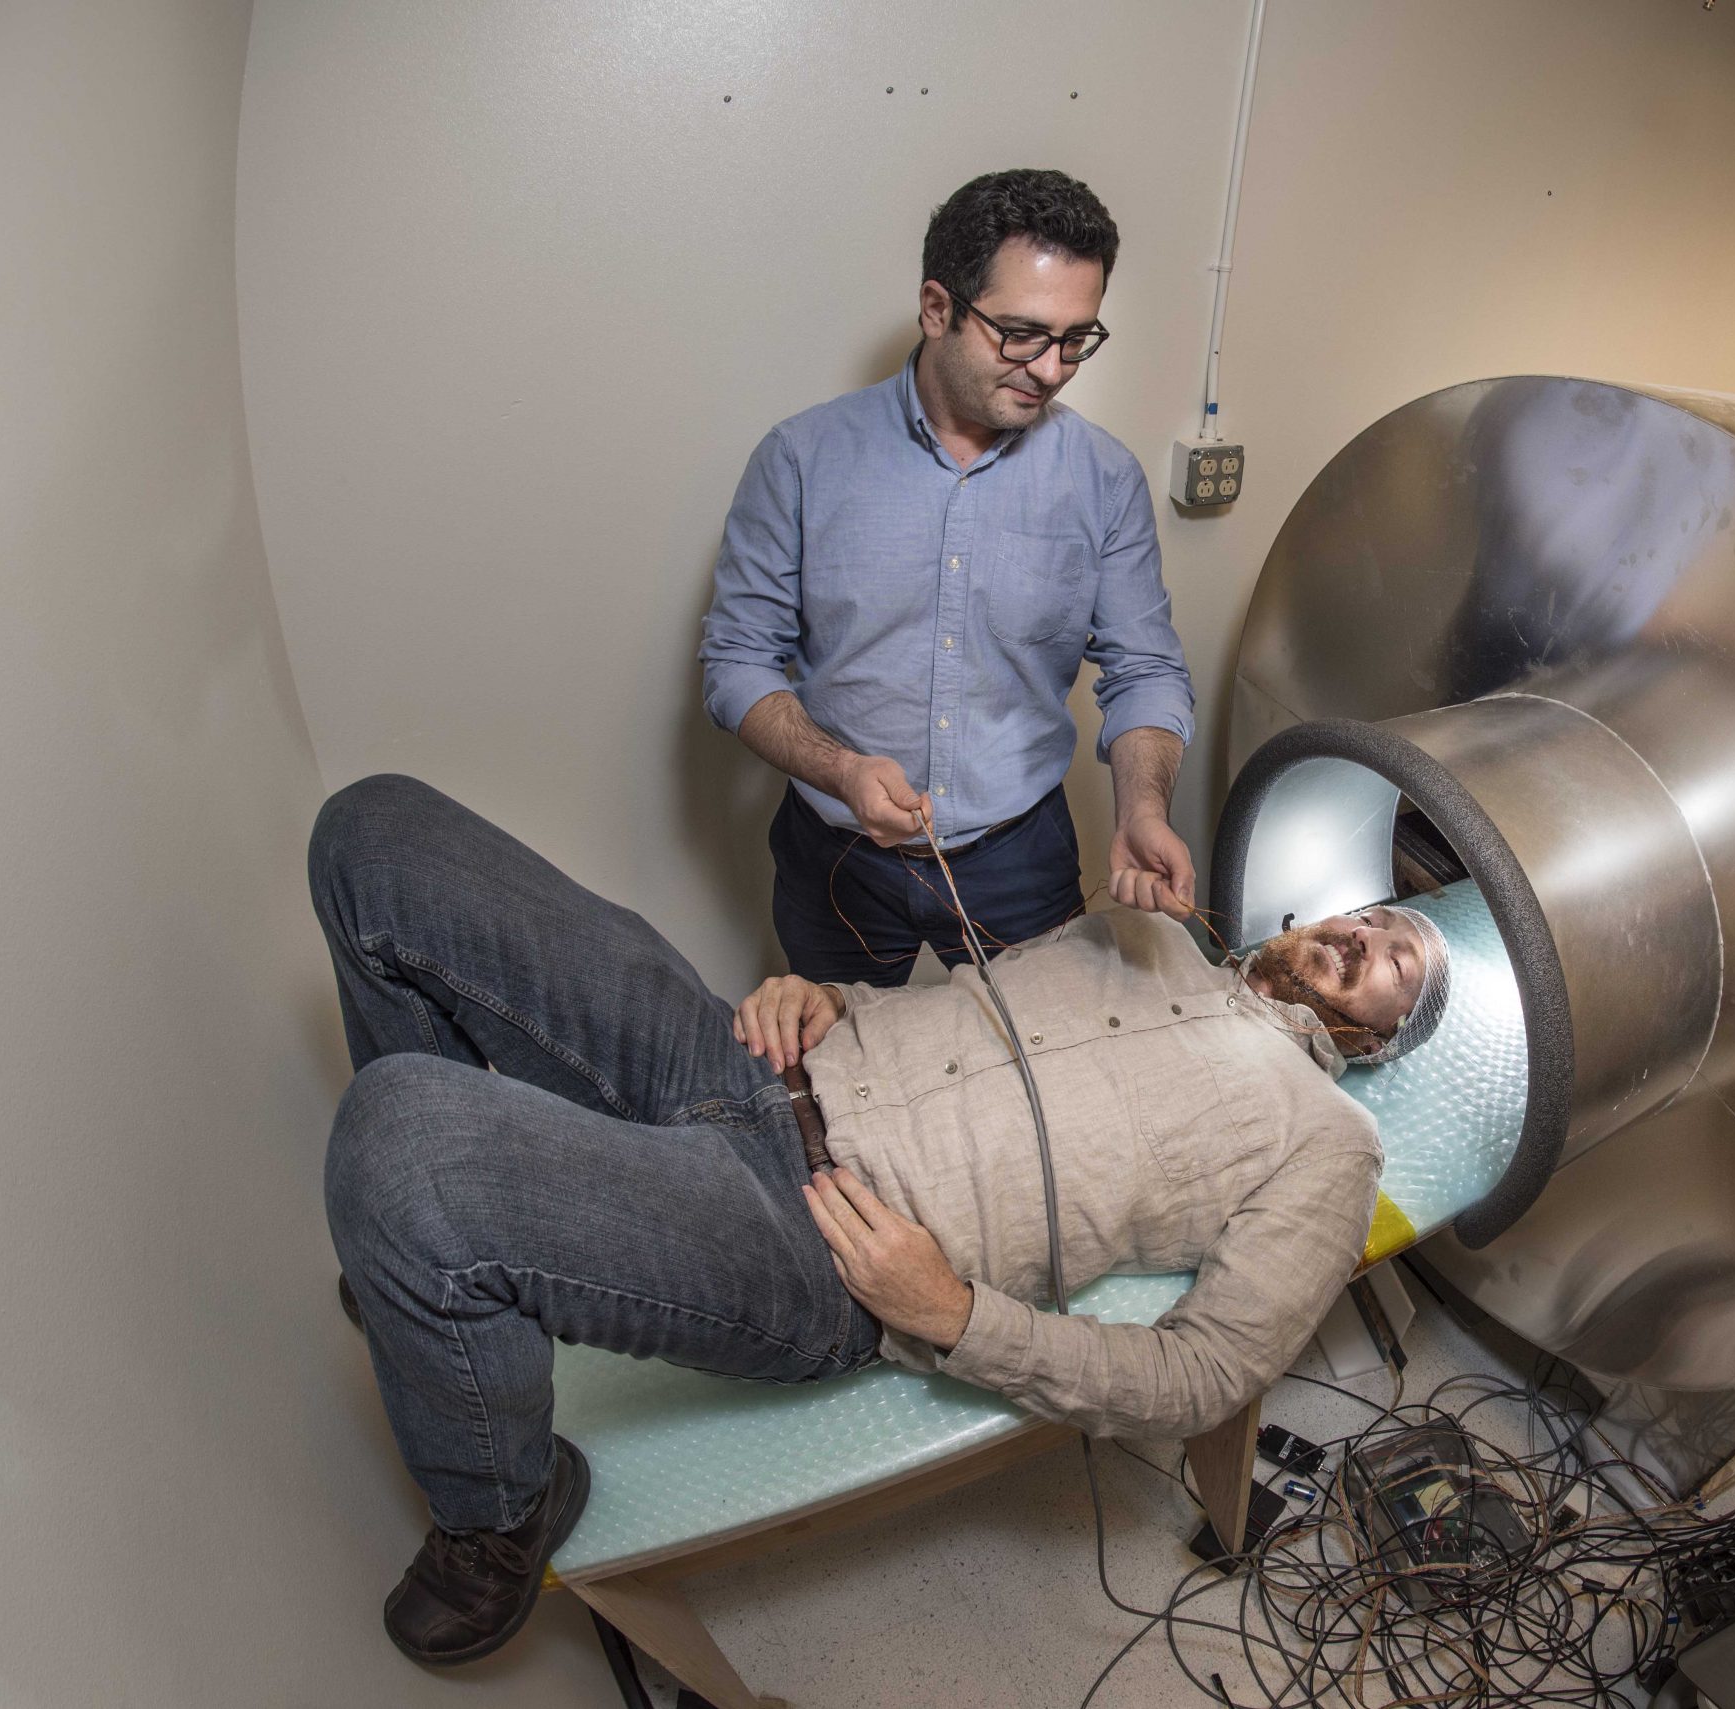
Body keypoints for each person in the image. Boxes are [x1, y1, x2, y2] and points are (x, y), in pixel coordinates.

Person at [312, 774, 1449, 1666]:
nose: (1365, 934)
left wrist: (955, 1315)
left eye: (1396, 957)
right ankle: (441, 1282)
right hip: (740, 1055)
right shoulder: (1147, 936)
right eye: (1369, 914)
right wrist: (826, 995)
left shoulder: (1329, 1143)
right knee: (375, 839)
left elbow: (1205, 1375)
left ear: (1384, 1039)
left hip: (810, 1234)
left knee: (400, 1143)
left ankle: (500, 1512)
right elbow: (964, 1010)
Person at [700, 167, 1197, 986]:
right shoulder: (799, 459)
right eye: (1023, 334)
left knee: (1044, 1053)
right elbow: (736, 662)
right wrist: (841, 770)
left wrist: (1142, 809)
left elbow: (1145, 669)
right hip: (837, 858)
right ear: (938, 308)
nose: (1052, 369)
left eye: (1077, 339)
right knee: (840, 1058)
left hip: (1023, 854)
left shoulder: (1105, 479)